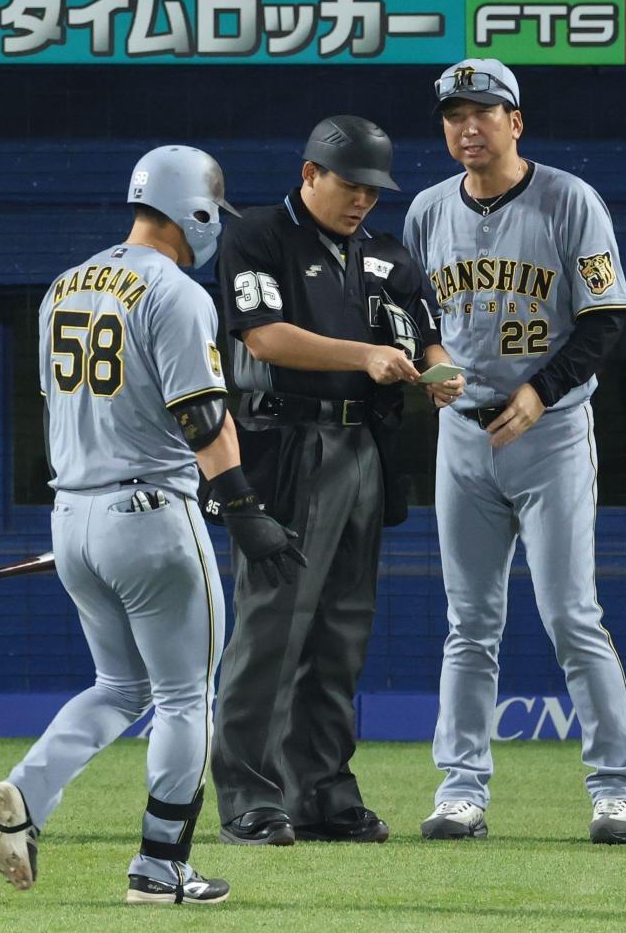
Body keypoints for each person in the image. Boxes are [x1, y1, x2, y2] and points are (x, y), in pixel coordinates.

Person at [0, 145, 304, 905]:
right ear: (194, 207)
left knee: (120, 685)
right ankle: (160, 867)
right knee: (185, 696)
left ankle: (28, 794)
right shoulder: (177, 292)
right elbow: (199, 416)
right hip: (152, 515)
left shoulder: (64, 285)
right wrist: (244, 509)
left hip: (73, 516)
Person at [403, 59, 626, 845]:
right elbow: (412, 313)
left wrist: (540, 391)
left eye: (483, 111)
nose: (466, 126)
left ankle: (616, 788)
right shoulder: (426, 210)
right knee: (467, 622)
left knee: (569, 615)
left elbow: (604, 316)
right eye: (453, 114)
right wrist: (431, 360)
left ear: (515, 121)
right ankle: (460, 790)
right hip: (462, 436)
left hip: (548, 434)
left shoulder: (567, 200)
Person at [211, 115, 459, 846]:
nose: (361, 201)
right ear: (310, 173)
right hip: (284, 444)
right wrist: (362, 356)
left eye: (372, 190)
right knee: (270, 628)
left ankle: (319, 793)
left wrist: (444, 374)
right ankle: (249, 798)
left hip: (363, 448)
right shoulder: (257, 236)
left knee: (340, 632)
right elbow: (263, 337)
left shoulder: (385, 252)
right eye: (349, 185)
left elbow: (425, 332)